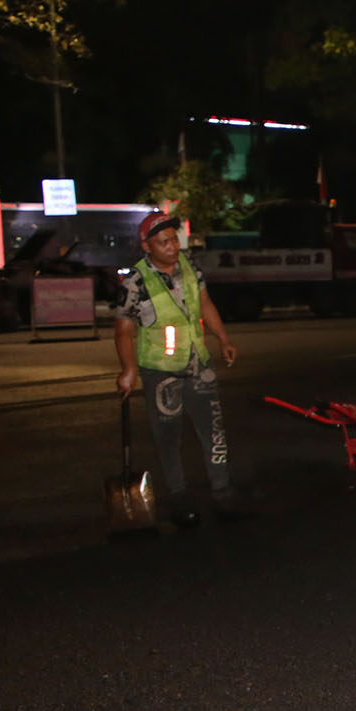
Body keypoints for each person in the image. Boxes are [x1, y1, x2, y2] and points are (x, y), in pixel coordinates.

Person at [114, 212, 244, 528]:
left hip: (198, 363)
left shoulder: (190, 268)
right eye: (164, 242)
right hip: (161, 372)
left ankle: (223, 495)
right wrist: (128, 369)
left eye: (174, 239)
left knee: (213, 433)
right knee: (168, 438)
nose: (172, 247)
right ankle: (179, 500)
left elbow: (205, 304)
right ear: (147, 245)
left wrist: (222, 338)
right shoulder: (135, 281)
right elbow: (123, 330)